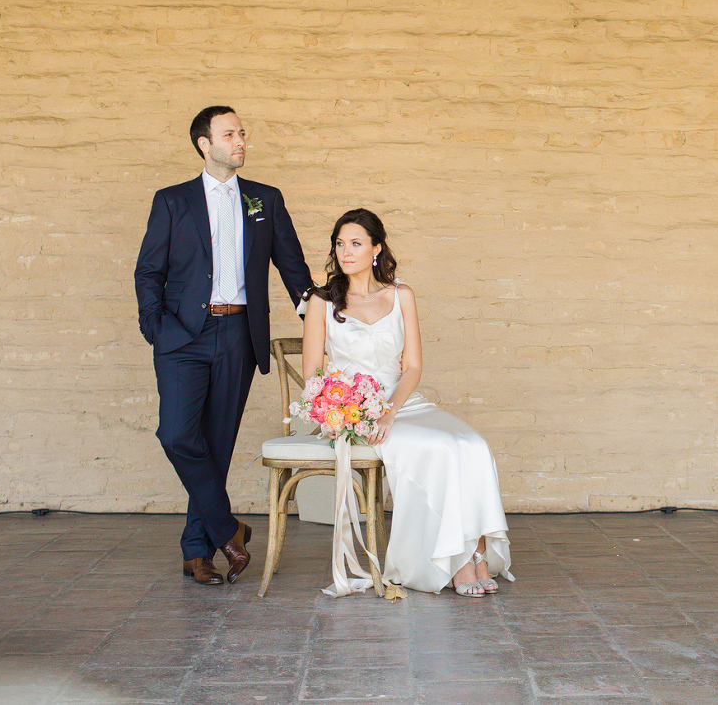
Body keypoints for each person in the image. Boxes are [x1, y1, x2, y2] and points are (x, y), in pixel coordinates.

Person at [135, 106, 313, 585]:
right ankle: (227, 528)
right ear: (203, 143)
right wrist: (156, 326)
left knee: (216, 446)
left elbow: (292, 267)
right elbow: (149, 271)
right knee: (176, 434)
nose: (240, 141)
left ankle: (198, 551)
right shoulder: (172, 201)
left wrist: (315, 316)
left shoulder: (264, 200)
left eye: (242, 133)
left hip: (238, 334)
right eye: (229, 134)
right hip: (182, 336)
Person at [302, 209, 512, 596]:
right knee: (442, 448)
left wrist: (390, 409)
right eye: (339, 244)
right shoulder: (321, 301)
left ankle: (477, 552)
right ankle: (461, 561)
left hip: (401, 404)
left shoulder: (401, 296)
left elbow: (412, 367)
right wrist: (348, 411)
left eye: (356, 243)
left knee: (472, 445)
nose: (345, 252)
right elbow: (314, 375)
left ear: (376, 248)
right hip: (355, 415)